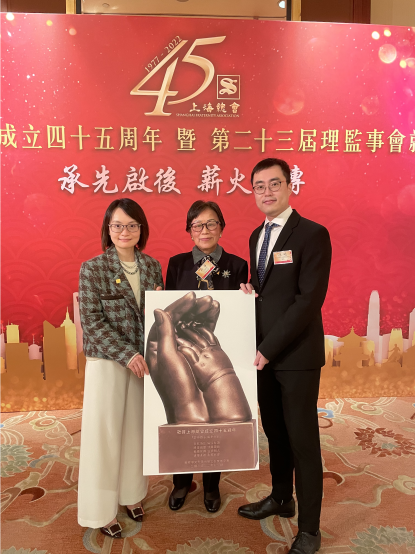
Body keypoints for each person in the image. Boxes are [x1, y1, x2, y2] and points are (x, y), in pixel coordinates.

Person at [238, 159, 332, 554]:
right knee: (275, 432)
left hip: (295, 356)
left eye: (274, 183)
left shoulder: (312, 234)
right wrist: (249, 294)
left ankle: (310, 529)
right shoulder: (256, 235)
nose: (267, 192)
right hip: (263, 357)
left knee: (302, 440)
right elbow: (268, 293)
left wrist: (268, 347)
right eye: (259, 186)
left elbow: (308, 301)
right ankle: (281, 497)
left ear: (290, 186)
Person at [77, 198, 163, 539]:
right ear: (107, 229)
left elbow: (157, 313)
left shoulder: (153, 267)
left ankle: (132, 494)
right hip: (108, 363)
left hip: (144, 365)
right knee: (105, 437)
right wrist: (127, 354)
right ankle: (100, 510)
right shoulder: (93, 268)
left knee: (135, 433)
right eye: (117, 225)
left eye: (131, 225)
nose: (124, 231)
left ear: (141, 229)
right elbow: (92, 322)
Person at [165, 200, 249, 514]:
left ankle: (212, 485)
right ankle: (181, 482)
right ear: (189, 231)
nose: (204, 230)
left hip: (217, 352)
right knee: (184, 412)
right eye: (197, 225)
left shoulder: (237, 265)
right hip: (181, 351)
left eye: (211, 223)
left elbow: (239, 311)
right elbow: (167, 303)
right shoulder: (176, 264)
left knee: (215, 415)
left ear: (221, 228)